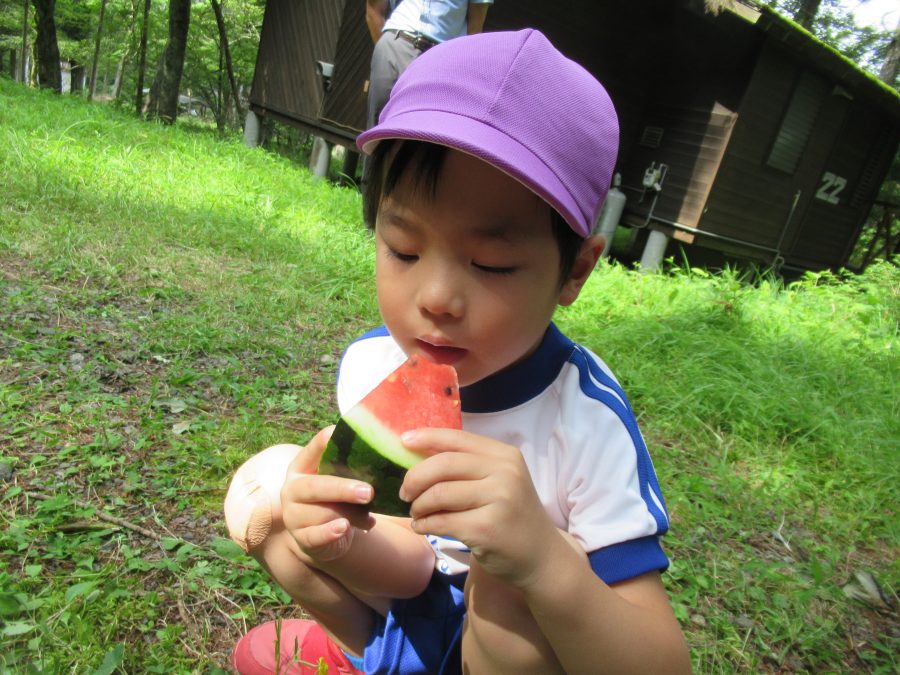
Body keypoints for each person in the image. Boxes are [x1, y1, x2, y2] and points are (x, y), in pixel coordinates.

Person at [225, 29, 691, 674]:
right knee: (268, 491)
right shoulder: (373, 362)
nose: (437, 298)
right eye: (404, 250)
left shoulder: (587, 421)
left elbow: (661, 665)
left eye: (492, 263)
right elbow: (411, 558)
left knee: (504, 593)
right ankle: (368, 655)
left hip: (515, 648)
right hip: (417, 604)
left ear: (576, 272)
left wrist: (542, 560)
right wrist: (335, 539)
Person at [360, 0, 491, 201]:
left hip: (441, 59)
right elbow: (373, 9)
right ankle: (370, 211)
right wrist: (386, 47)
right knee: (378, 136)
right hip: (397, 42)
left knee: (425, 145)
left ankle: (408, 211)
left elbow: (475, 30)